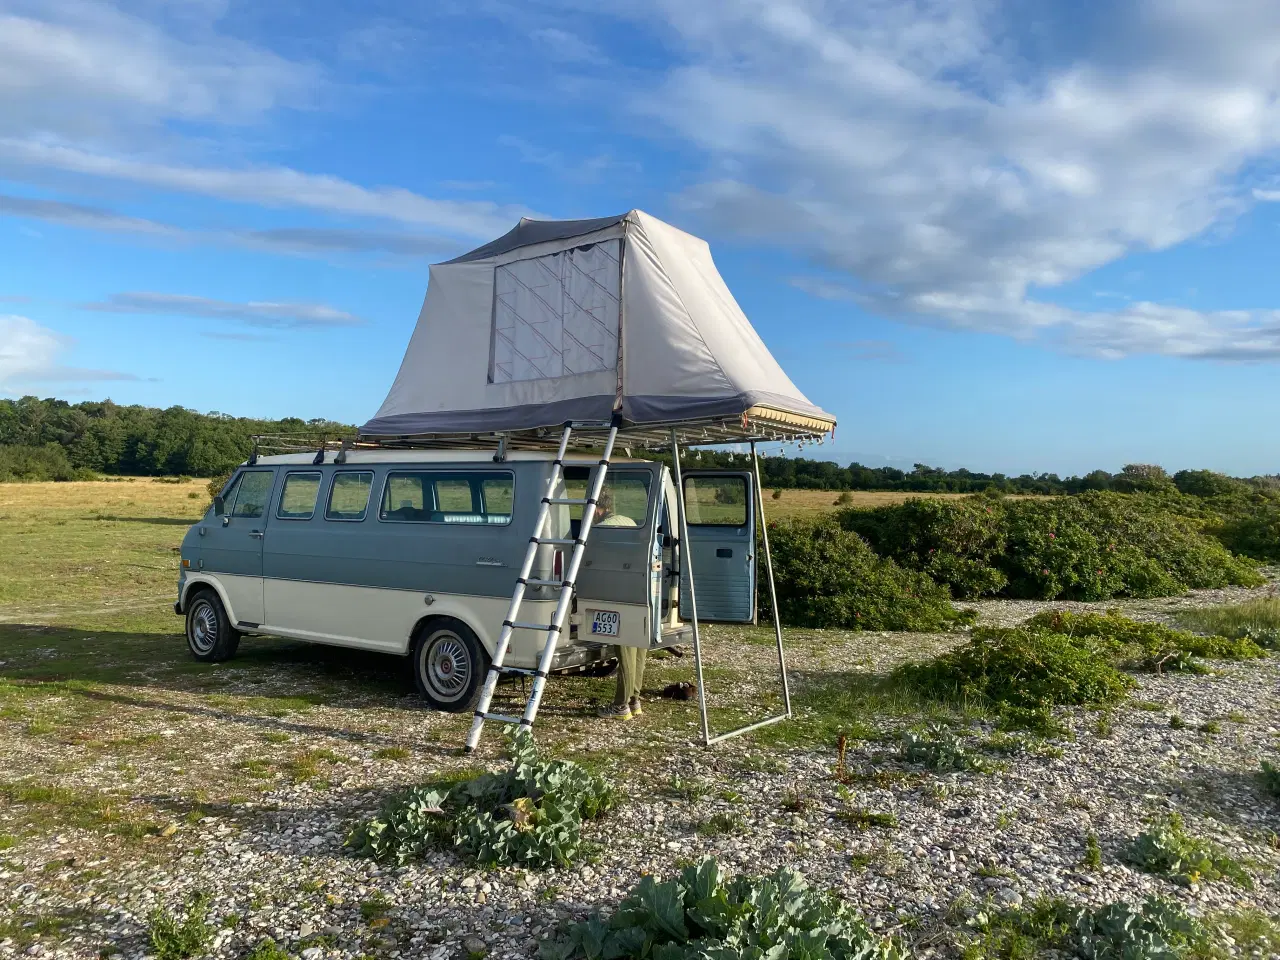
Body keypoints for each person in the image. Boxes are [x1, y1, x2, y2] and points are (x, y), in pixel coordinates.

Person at [590, 486, 645, 718]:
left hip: (617, 590)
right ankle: (635, 700)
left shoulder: (601, 529)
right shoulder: (629, 521)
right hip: (637, 587)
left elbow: (593, 563)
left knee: (623, 650)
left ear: (597, 509)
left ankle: (620, 705)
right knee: (637, 646)